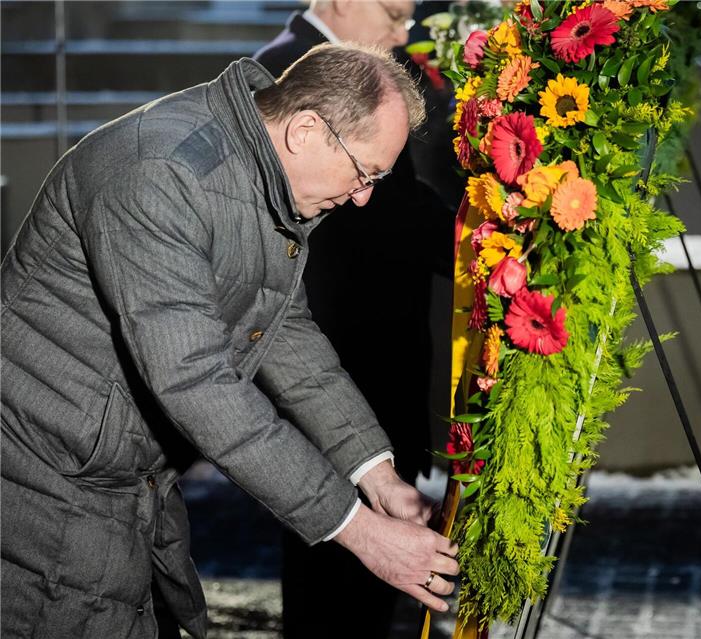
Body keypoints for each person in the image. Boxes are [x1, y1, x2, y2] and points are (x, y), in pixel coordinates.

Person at [0, 44, 457, 639]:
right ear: (306, 129)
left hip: (113, 480)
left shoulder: (256, 171)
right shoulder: (162, 173)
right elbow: (196, 382)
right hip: (39, 483)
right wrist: (358, 531)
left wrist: (375, 473)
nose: (363, 195)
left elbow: (287, 331)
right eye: (364, 171)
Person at [255, 3, 457, 637]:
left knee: (357, 599)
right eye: (395, 14)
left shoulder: (344, 79)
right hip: (339, 364)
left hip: (354, 371)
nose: (405, 33)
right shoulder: (286, 76)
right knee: (334, 597)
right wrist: (485, 251)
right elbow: (388, 220)